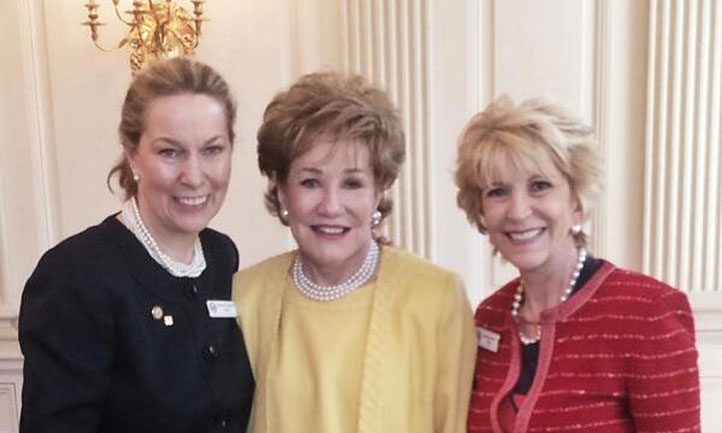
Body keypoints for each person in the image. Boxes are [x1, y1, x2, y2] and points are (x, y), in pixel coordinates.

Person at [19, 57, 254, 433]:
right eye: (169, 152)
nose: (193, 176)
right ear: (132, 153)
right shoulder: (75, 275)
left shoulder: (222, 256)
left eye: (212, 149)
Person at [233, 72, 476, 433]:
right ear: (282, 192)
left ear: (379, 192)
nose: (331, 206)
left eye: (352, 183)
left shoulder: (436, 298)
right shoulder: (245, 297)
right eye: (310, 181)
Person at [455, 96, 701, 433]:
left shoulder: (647, 312)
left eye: (539, 186)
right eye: (498, 191)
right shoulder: (489, 317)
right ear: (481, 211)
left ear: (577, 199)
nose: (518, 211)